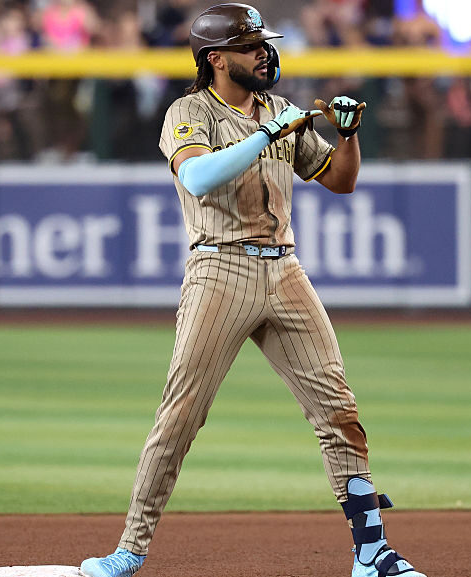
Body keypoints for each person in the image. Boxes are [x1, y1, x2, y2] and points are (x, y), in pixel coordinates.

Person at [79, 4, 426, 577]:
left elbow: (341, 180)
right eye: (249, 46)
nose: (263, 52)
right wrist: (269, 133)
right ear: (216, 59)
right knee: (181, 416)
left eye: (263, 43)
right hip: (220, 269)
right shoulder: (190, 110)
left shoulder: (279, 110)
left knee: (338, 407)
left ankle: (371, 550)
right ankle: (130, 550)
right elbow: (196, 176)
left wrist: (347, 136)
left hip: (285, 270)